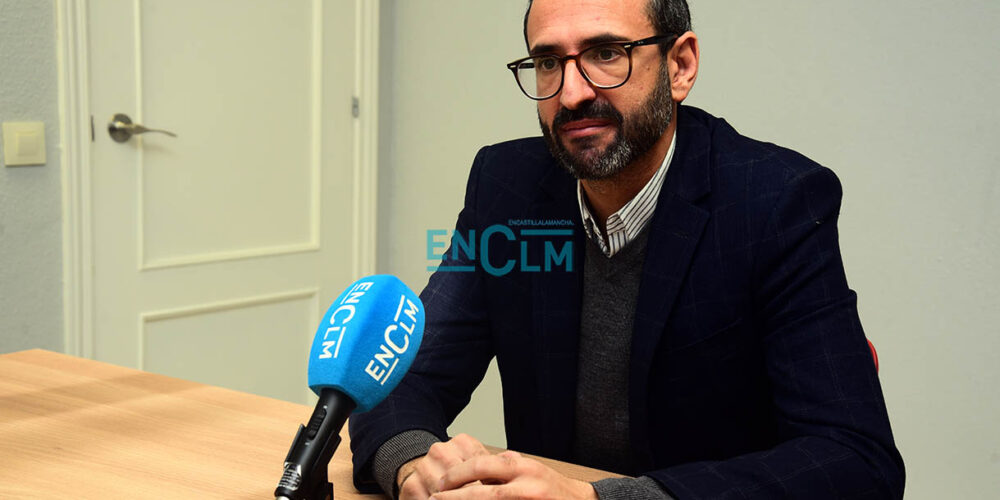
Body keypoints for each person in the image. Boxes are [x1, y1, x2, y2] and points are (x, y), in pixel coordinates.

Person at [350, 0, 905, 498]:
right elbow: (406, 374)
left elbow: (854, 460)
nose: (572, 93)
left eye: (607, 53)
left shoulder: (773, 202)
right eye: (548, 62)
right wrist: (415, 466)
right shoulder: (507, 187)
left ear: (680, 66)